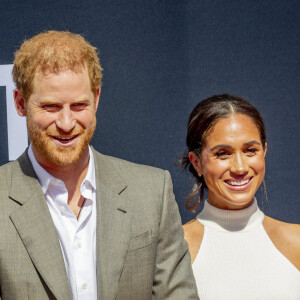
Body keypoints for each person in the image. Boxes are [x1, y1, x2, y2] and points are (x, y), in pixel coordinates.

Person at [0, 31, 199, 300]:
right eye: (51, 107)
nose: (67, 123)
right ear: (21, 103)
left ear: (96, 98)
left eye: (79, 105)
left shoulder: (151, 192)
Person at [181, 94, 300, 299]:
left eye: (250, 150)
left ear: (264, 151)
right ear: (197, 162)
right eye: (223, 153)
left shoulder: (297, 241)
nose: (240, 167)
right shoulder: (176, 248)